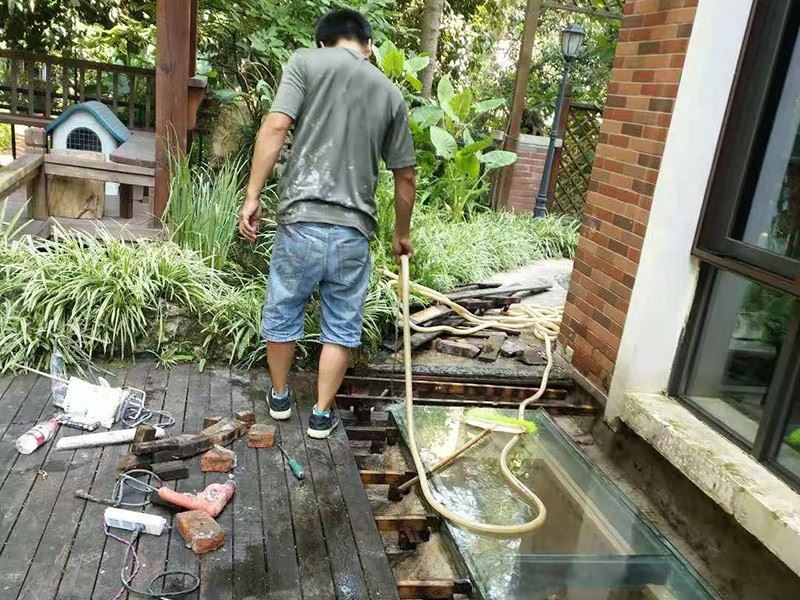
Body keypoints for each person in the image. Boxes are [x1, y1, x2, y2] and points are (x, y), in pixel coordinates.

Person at [239, 9, 417, 439]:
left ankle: (279, 396)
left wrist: (252, 196)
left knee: (283, 309)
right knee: (341, 324)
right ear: (368, 46)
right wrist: (401, 233)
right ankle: (320, 414)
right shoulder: (390, 93)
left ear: (323, 42)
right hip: (353, 231)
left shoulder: (305, 62)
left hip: (301, 221)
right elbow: (406, 175)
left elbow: (276, 125)